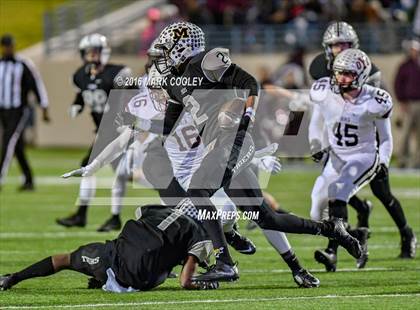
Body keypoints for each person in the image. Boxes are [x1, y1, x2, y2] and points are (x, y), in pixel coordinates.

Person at [139, 22, 361, 282]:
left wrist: (248, 116)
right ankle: (330, 230)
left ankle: (225, 262)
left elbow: (248, 82)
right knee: (266, 218)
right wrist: (143, 127)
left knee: (198, 191)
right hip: (221, 146)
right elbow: (171, 125)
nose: (164, 56)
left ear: (183, 48)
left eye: (168, 49)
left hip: (237, 139)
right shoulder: (174, 82)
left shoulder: (205, 61)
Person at [308, 22, 416, 271]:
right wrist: (317, 142)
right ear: (327, 48)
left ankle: (406, 233)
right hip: (338, 140)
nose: (339, 48)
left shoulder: (367, 70)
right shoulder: (319, 69)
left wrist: (383, 157)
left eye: (344, 44)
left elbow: (374, 115)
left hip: (366, 141)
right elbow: (321, 108)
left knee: (382, 192)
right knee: (332, 193)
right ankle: (351, 225)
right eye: (335, 44)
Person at [0, 204, 218, 292]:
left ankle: (12, 278)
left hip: (112, 256)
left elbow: (140, 213)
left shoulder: (162, 208)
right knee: (165, 263)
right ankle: (102, 278)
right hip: (142, 278)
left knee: (65, 259)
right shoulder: (199, 233)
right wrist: (203, 284)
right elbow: (185, 281)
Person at [55, 33, 132, 231]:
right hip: (104, 129)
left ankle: (87, 215)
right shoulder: (80, 75)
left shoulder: (118, 73)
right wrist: (77, 105)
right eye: (87, 52)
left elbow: (128, 97)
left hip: (119, 129)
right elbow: (81, 92)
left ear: (103, 52)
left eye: (95, 51)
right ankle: (107, 217)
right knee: (116, 172)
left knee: (93, 167)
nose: (91, 56)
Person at [0, 34, 50, 191]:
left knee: (8, 141)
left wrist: (44, 107)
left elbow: (37, 85)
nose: (9, 48)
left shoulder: (23, 64)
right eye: (6, 46)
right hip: (3, 110)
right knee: (17, 146)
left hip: (19, 110)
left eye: (11, 45)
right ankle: (28, 180)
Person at [394, 39, 420, 169]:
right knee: (406, 133)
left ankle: (417, 162)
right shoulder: (404, 66)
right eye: (412, 50)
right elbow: (398, 84)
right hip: (409, 103)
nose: (414, 52)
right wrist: (402, 101)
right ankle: (402, 160)